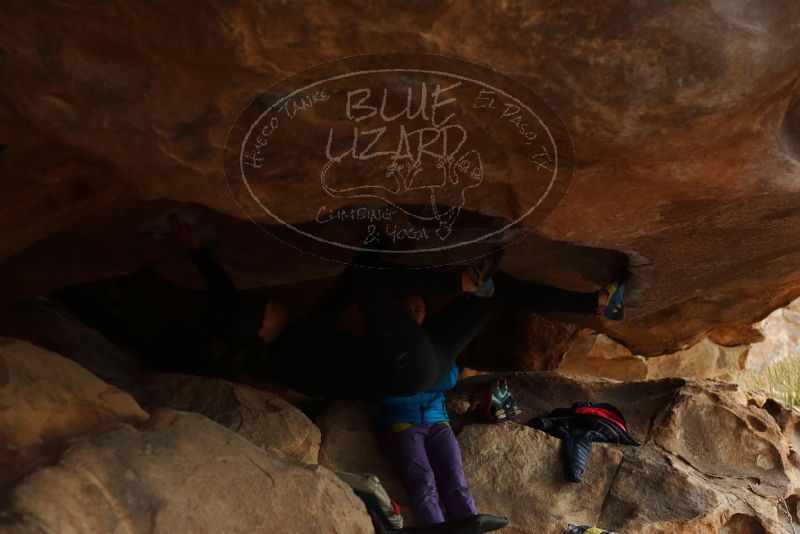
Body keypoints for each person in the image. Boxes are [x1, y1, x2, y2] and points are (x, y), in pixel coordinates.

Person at [377, 295, 485, 527]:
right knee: (424, 485)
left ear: (426, 312)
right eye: (406, 309)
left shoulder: (433, 340)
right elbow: (384, 393)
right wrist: (427, 378)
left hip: (438, 422)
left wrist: (413, 382)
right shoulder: (384, 343)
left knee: (457, 483)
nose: (412, 315)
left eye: (418, 309)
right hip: (403, 424)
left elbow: (449, 378)